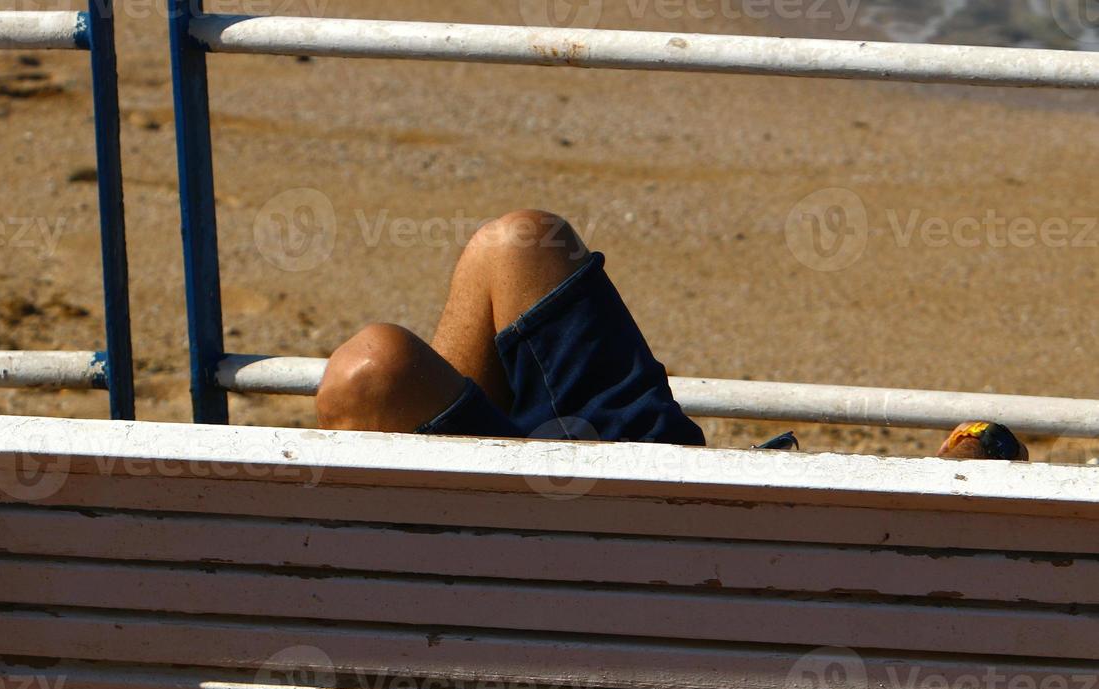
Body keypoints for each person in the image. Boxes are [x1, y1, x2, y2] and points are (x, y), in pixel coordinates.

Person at [315, 209, 1028, 462]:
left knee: (375, 371)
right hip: (649, 501)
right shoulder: (889, 571)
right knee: (521, 241)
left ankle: (445, 532)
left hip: (599, 553)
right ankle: (490, 488)